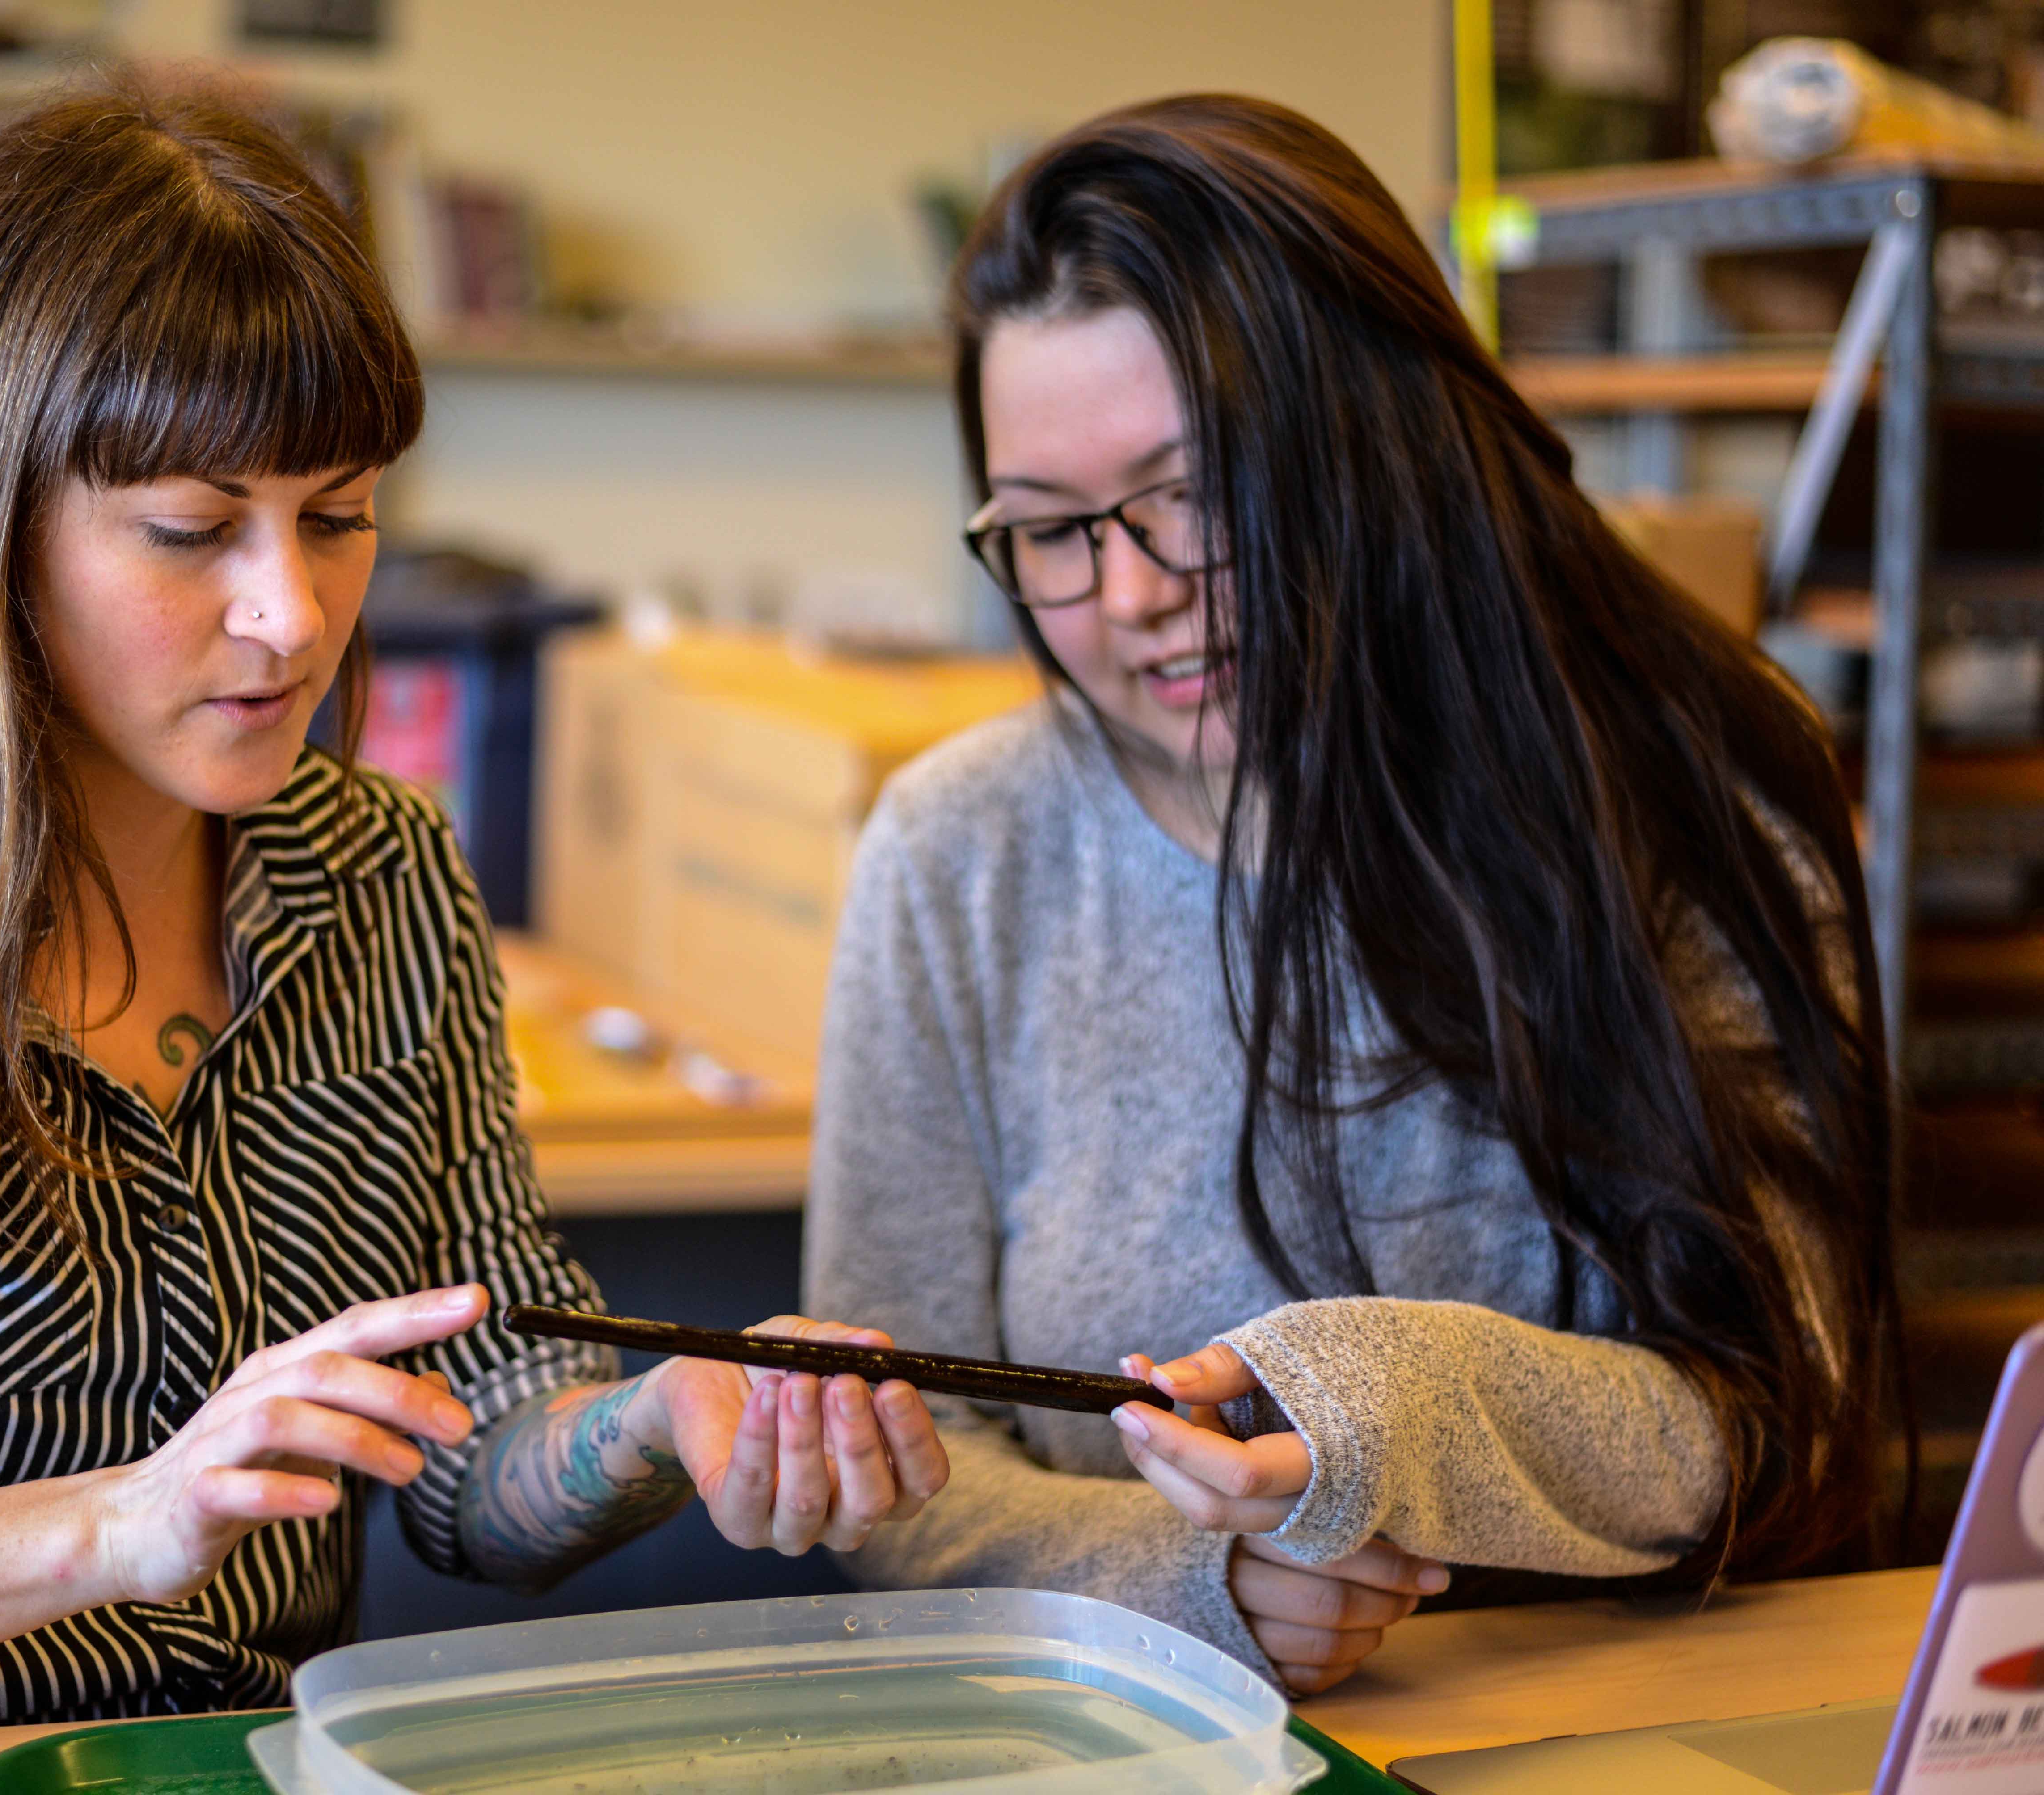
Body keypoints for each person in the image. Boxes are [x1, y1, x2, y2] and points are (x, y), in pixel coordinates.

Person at [0, 78, 946, 1763]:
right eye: (193, 532)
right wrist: (120, 1529)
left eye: (341, 517)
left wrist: (663, 1416)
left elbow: (467, 1448)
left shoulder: (377, 875)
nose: (292, 615)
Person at [805, 94, 1899, 1698]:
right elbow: (897, 1459)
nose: (1134, 591)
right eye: (1048, 533)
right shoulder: (959, 856)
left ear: (1374, 441)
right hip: (1123, 1732)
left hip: (1603, 1721)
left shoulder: (1681, 811)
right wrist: (1199, 1580)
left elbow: (1772, 1410)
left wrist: (1391, 1410)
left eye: (1196, 493)